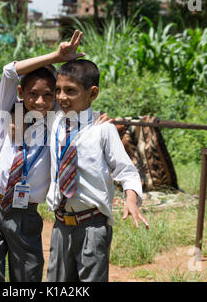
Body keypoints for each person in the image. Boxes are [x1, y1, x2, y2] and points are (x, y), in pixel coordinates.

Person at [0, 31, 98, 282]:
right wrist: (55, 55)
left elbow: (79, 106)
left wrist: (99, 119)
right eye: (32, 94)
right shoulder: (9, 113)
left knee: (27, 278)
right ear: (21, 92)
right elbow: (9, 71)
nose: (40, 101)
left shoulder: (57, 124)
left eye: (48, 95)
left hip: (25, 214)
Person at [46, 59, 150, 282]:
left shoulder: (103, 129)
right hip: (61, 225)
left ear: (92, 94)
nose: (62, 97)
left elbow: (127, 172)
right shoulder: (54, 123)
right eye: (58, 90)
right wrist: (58, 55)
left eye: (70, 91)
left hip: (92, 226)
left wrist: (131, 200)